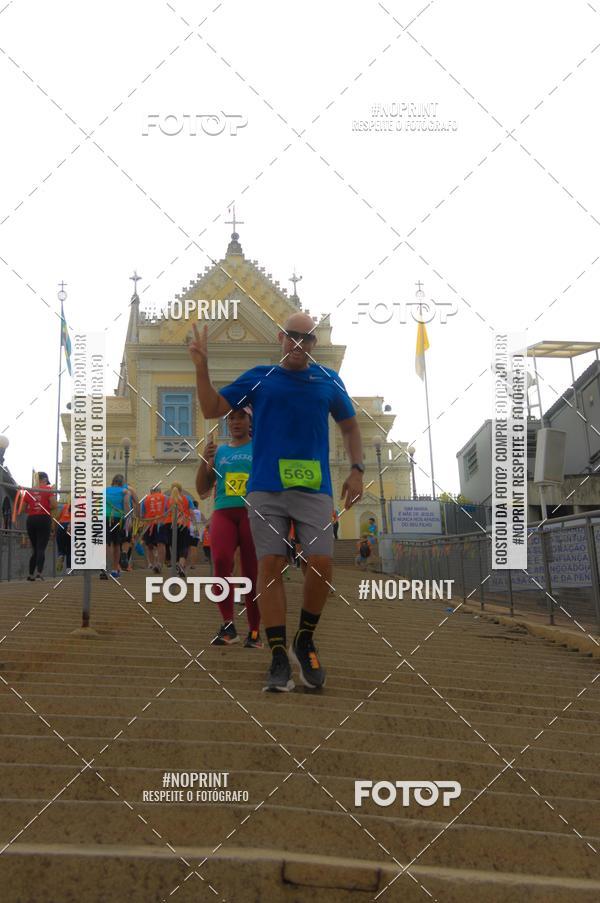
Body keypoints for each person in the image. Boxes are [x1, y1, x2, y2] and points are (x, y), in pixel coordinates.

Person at [188, 312, 364, 692]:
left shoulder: (329, 380)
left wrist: (357, 469)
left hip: (314, 488)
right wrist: (202, 367)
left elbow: (350, 427)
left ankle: (305, 638)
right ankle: (278, 654)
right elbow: (212, 408)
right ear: (280, 338)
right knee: (270, 564)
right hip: (266, 488)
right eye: (292, 336)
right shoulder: (260, 377)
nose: (299, 343)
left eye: (307, 337)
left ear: (314, 343)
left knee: (321, 563)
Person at [196, 408, 261, 647]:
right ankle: (228, 625)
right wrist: (204, 461)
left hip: (251, 513)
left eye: (241, 417)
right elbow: (202, 489)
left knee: (251, 572)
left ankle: (255, 631)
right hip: (223, 511)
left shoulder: (260, 447)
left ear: (250, 420)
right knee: (222, 561)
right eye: (231, 418)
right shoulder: (220, 451)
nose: (235, 422)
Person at [23, 472, 56, 581]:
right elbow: (54, 505)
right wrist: (46, 507)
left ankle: (30, 574)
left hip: (31, 520)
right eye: (46, 481)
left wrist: (33, 510)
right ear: (44, 479)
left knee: (35, 549)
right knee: (41, 547)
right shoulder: (48, 489)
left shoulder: (29, 490)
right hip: (43, 519)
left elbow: (23, 508)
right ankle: (39, 573)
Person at [101, 474, 131, 579]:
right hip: (118, 518)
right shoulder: (125, 491)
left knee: (106, 543)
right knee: (116, 544)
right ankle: (114, 570)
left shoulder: (104, 490)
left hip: (104, 517)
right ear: (122, 483)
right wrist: (128, 519)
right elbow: (126, 504)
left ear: (113, 481)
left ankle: (105, 568)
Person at [163, 482, 194, 577]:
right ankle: (181, 565)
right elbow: (192, 512)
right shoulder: (187, 498)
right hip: (183, 524)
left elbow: (164, 513)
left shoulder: (167, 500)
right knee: (183, 545)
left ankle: (177, 566)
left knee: (174, 546)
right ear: (181, 489)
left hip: (169, 524)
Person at [140, 484, 168, 573]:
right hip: (162, 524)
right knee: (161, 544)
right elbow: (169, 511)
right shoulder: (165, 498)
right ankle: (159, 564)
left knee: (149, 546)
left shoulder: (145, 499)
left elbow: (142, 515)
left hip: (149, 524)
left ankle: (152, 564)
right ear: (160, 491)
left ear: (151, 491)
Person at [56, 496, 72, 573]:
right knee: (70, 549)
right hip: (70, 526)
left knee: (61, 548)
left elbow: (57, 517)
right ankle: (69, 569)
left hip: (60, 526)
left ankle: (61, 555)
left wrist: (53, 530)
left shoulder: (65, 506)